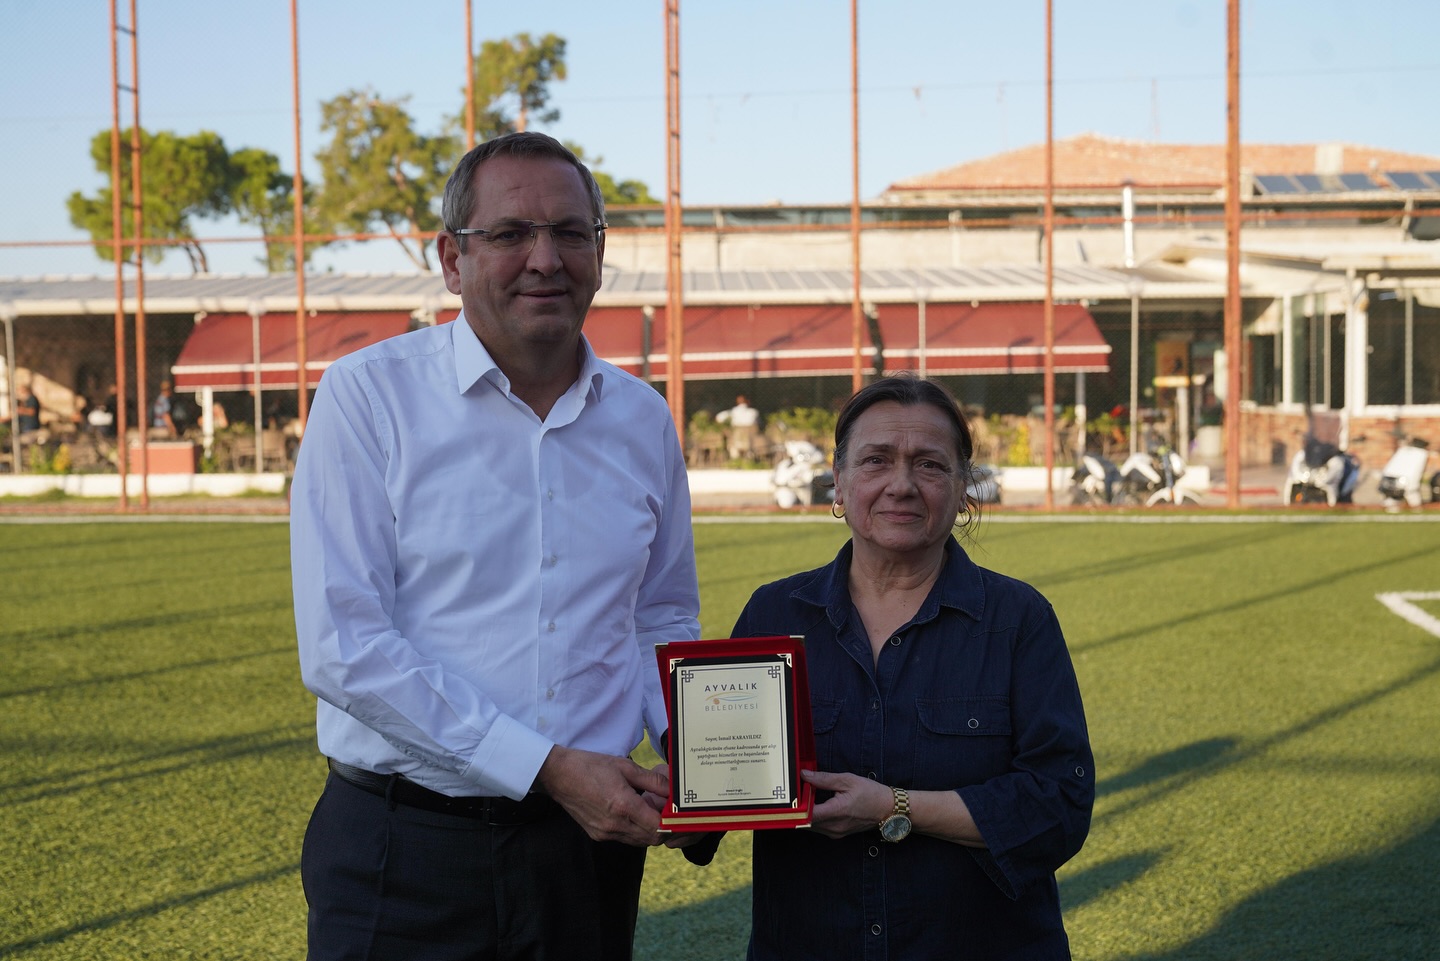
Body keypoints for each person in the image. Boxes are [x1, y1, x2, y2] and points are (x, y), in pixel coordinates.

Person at [290, 131, 702, 961]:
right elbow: (344, 647)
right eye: (511, 233)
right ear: (451, 257)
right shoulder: (368, 398)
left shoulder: (642, 418)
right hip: (404, 850)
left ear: (599, 250)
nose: (545, 258)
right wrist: (545, 764)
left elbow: (658, 615)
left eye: (571, 232)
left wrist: (714, 762)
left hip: (585, 856)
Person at [721, 374, 1094, 960]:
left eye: (929, 465)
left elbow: (1058, 808)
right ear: (839, 484)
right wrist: (684, 800)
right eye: (875, 461)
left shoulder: (1018, 619)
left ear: (963, 488)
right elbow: (725, 780)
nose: (901, 485)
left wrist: (896, 807)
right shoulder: (774, 612)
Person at [715, 393, 760, 460]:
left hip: (736, 441)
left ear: (737, 402)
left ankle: (735, 460)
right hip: (751, 442)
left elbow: (718, 417)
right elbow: (758, 424)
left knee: (731, 442)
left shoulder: (733, 412)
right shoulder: (754, 412)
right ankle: (750, 459)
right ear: (748, 402)